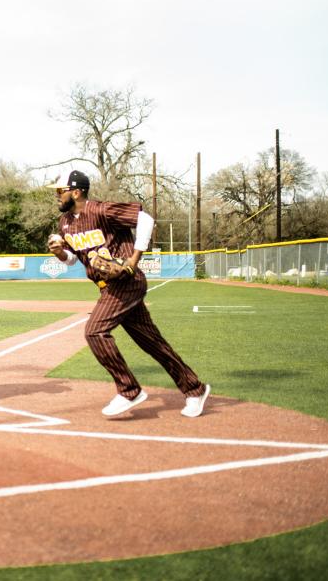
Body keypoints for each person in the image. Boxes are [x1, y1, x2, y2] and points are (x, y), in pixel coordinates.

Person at [45, 170, 210, 418]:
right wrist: (60, 252)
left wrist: (133, 259)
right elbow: (71, 260)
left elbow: (146, 220)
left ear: (76, 191)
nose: (57, 196)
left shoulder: (101, 210)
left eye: (60, 191)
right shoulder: (65, 223)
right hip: (108, 287)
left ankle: (129, 390)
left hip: (126, 282)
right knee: (153, 344)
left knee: (94, 331)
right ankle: (194, 389)